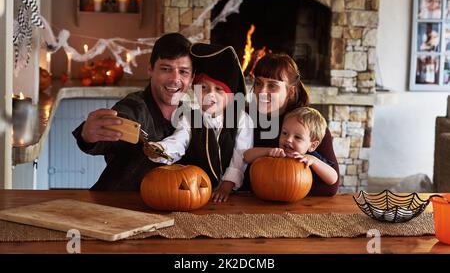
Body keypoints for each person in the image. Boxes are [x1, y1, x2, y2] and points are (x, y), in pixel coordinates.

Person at [72, 33, 194, 191]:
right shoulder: (134, 107)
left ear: (192, 78)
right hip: (117, 204)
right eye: (166, 69)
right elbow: (118, 122)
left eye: (183, 72)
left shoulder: (193, 114)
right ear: (150, 69)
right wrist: (88, 136)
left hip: (171, 208)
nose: (175, 79)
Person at [145, 43, 253, 203]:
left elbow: (240, 156)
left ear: (230, 96)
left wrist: (226, 186)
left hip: (229, 192)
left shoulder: (242, 120)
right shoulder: (190, 117)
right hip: (194, 189)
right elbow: (179, 141)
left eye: (218, 89)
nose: (210, 95)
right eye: (203, 87)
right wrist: (161, 149)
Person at [243, 53, 340, 196]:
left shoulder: (306, 124)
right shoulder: (243, 118)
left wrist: (283, 184)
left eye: (272, 86)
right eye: (258, 83)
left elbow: (329, 188)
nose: (262, 92)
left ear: (291, 91)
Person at [243, 107, 338, 187]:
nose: (288, 139)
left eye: (297, 137)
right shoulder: (277, 151)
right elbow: (246, 156)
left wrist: (314, 161)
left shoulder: (310, 157)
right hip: (269, 195)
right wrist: (268, 151)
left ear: (312, 145)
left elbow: (333, 179)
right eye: (285, 133)